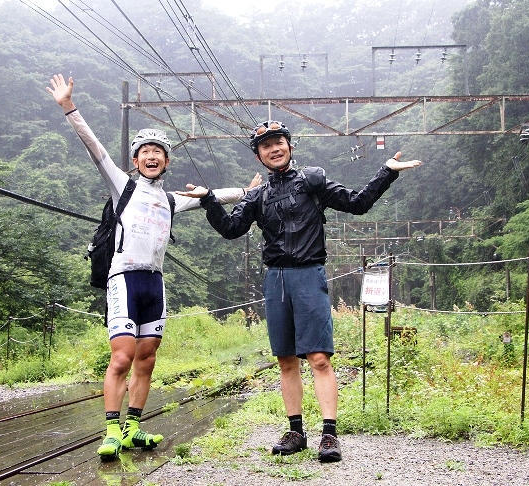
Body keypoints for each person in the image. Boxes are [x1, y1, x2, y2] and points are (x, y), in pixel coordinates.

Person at [178, 120, 421, 462]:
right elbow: (231, 229)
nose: (274, 148)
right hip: (276, 278)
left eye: (279, 142)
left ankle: (329, 435)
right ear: (259, 156)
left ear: (290, 146)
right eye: (266, 146)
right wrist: (208, 201)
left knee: (319, 357)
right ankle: (295, 431)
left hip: (309, 274)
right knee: (286, 359)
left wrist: (387, 171)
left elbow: (358, 203)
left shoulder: (312, 180)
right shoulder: (257, 196)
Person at [46, 74, 261, 460]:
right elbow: (94, 147)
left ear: (166, 161)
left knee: (147, 358)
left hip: (155, 284)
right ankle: (111, 431)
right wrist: (68, 107)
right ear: (135, 160)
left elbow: (213, 196)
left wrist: (248, 191)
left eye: (158, 152)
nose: (151, 156)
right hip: (124, 280)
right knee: (122, 357)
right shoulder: (121, 186)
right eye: (145, 151)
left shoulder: (172, 200)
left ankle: (132, 428)